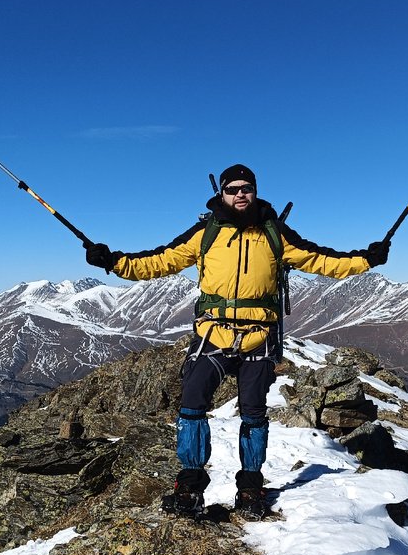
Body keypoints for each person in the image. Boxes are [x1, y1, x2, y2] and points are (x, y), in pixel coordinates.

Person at [84, 163, 389, 519]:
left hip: (258, 337)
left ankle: (250, 486)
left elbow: (320, 259)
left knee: (254, 412)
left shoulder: (275, 232)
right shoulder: (206, 232)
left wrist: (366, 260)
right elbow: (160, 260)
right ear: (222, 193)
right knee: (192, 402)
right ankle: (191, 482)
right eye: (233, 189)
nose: (240, 194)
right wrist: (114, 262)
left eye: (247, 188)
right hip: (213, 332)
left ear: (255, 191)